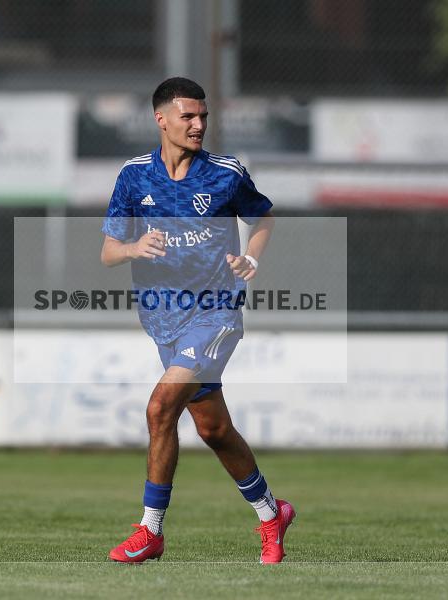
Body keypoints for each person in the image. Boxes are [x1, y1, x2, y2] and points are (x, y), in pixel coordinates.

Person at [100, 77, 295, 564]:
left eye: (203, 116)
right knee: (214, 430)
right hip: (164, 321)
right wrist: (132, 247)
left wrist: (251, 256)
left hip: (216, 313)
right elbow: (107, 252)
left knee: (159, 409)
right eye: (188, 115)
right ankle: (273, 514)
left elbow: (264, 218)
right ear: (160, 118)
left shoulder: (226, 174)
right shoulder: (133, 176)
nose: (198, 124)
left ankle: (151, 531)